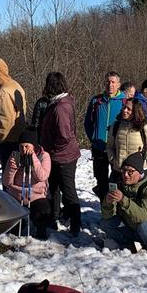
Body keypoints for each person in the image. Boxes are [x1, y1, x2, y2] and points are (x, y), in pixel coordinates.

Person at [37, 71, 81, 236]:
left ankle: (76, 226)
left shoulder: (61, 107)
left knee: (68, 192)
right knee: (53, 188)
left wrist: (52, 150)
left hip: (63, 157)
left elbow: (64, 135)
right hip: (59, 155)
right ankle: (52, 219)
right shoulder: (63, 102)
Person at [101, 153, 147, 260]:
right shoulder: (121, 185)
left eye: (130, 171)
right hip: (132, 227)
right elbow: (107, 216)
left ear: (139, 172)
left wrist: (123, 200)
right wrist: (108, 203)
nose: (126, 175)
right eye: (124, 171)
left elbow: (142, 217)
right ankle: (130, 246)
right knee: (105, 223)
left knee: (144, 226)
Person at [3, 129, 52, 239]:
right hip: (16, 194)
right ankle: (17, 227)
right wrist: (13, 167)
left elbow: (42, 176)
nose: (24, 150)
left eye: (27, 146)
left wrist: (33, 158)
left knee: (43, 211)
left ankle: (40, 230)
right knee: (9, 216)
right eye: (21, 146)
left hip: (36, 195)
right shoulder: (15, 155)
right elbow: (6, 182)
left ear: (33, 146)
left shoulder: (44, 156)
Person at [83, 72, 125, 199]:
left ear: (118, 84)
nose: (110, 85)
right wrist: (94, 139)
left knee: (116, 181)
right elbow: (88, 123)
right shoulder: (97, 101)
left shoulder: (124, 102)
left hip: (116, 149)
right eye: (108, 81)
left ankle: (115, 211)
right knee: (101, 181)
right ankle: (104, 211)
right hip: (99, 148)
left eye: (113, 82)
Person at [0, 57, 27, 168]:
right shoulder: (15, 85)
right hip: (19, 138)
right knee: (15, 175)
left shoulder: (3, 91)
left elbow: (5, 122)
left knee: (8, 178)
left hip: (9, 141)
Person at [107, 98, 147, 182]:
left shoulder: (143, 127)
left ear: (135, 111)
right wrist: (113, 159)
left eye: (129, 109)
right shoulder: (116, 126)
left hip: (138, 172)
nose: (125, 110)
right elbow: (109, 147)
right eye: (124, 107)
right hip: (119, 172)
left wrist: (143, 156)